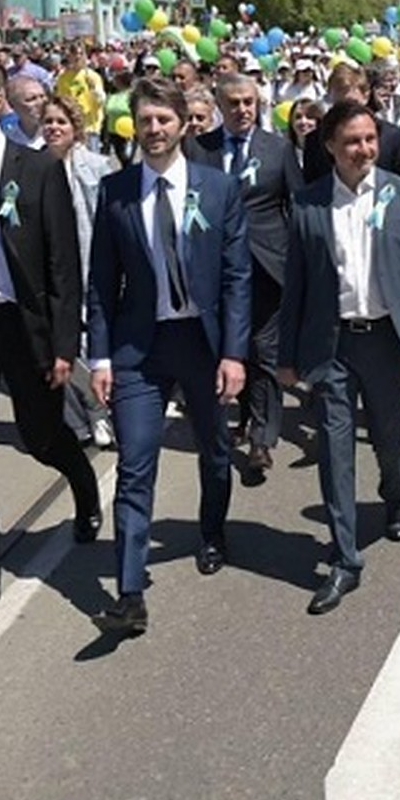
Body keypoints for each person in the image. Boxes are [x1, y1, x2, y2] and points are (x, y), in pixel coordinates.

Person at [0, 59, 101, 634]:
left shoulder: (35, 170)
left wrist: (63, 343)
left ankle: (81, 483)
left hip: (24, 329)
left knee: (42, 439)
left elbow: (61, 264)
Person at [87, 77, 251, 635]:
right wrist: (101, 358)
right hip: (141, 349)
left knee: (215, 450)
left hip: (203, 347)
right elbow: (101, 284)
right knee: (135, 465)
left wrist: (234, 353)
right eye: (145, 121)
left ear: (183, 123)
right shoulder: (116, 191)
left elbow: (236, 278)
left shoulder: (218, 188)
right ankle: (130, 592)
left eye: (163, 120)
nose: (154, 130)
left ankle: (212, 530)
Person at [277, 102, 400, 615]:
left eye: (370, 138)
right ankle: (346, 558)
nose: (363, 150)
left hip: (387, 344)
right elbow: (296, 289)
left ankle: (394, 495)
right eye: (352, 141)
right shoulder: (307, 205)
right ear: (329, 146)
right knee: (334, 449)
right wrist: (287, 357)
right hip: (331, 347)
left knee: (390, 442)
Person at [191, 73, 302, 482]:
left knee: (264, 351)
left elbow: (297, 207)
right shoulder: (197, 149)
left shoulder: (278, 149)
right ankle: (236, 417)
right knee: (229, 347)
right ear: (220, 105)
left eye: (248, 102)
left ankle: (262, 439)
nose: (242, 110)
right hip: (215, 270)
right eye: (233, 102)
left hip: (267, 267)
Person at [41, 93, 118, 449]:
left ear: (76, 128)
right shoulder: (33, 166)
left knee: (91, 343)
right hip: (51, 272)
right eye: (49, 122)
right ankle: (82, 415)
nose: (54, 128)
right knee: (60, 346)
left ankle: (100, 410)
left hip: (90, 265)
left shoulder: (98, 166)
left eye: (61, 122)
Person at [303, 64, 400, 182]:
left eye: (352, 103)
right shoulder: (315, 141)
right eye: (340, 104)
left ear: (366, 96)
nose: (346, 111)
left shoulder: (393, 137)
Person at [1, 74, 48, 148]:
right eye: (31, 99)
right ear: (12, 105)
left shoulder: (58, 133)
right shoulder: (6, 136)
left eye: (42, 96)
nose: (40, 103)